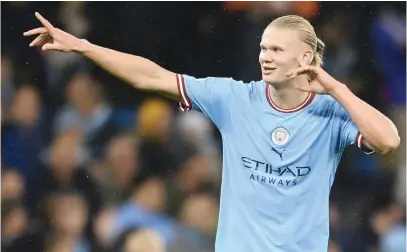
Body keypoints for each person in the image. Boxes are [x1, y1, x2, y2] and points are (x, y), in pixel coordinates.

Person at [24, 12, 400, 252]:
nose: (264, 56)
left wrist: (336, 88)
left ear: (305, 58)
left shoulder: (331, 112)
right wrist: (82, 46)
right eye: (262, 47)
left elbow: (389, 140)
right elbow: (152, 76)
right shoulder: (233, 98)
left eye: (276, 49)